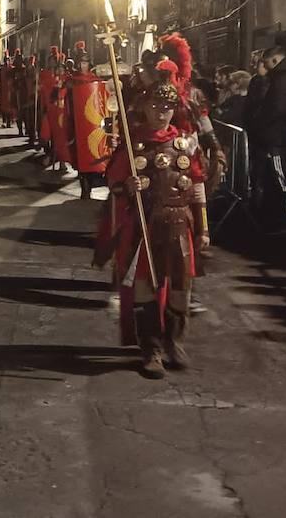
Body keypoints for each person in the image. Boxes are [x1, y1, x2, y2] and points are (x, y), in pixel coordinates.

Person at [94, 63, 209, 379]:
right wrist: (126, 187)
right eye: (157, 105)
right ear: (144, 106)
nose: (163, 112)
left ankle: (174, 342)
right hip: (144, 224)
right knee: (145, 285)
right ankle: (151, 349)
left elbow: (197, 186)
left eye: (168, 106)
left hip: (179, 224)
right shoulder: (133, 145)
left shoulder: (185, 143)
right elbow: (114, 182)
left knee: (180, 289)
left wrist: (204, 229)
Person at [253, 46, 286, 231]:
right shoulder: (284, 78)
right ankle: (273, 215)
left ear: (274, 60)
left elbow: (278, 109)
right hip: (277, 136)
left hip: (278, 138)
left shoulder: (284, 80)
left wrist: (264, 126)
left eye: (266, 64)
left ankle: (278, 217)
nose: (265, 68)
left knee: (279, 176)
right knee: (274, 177)